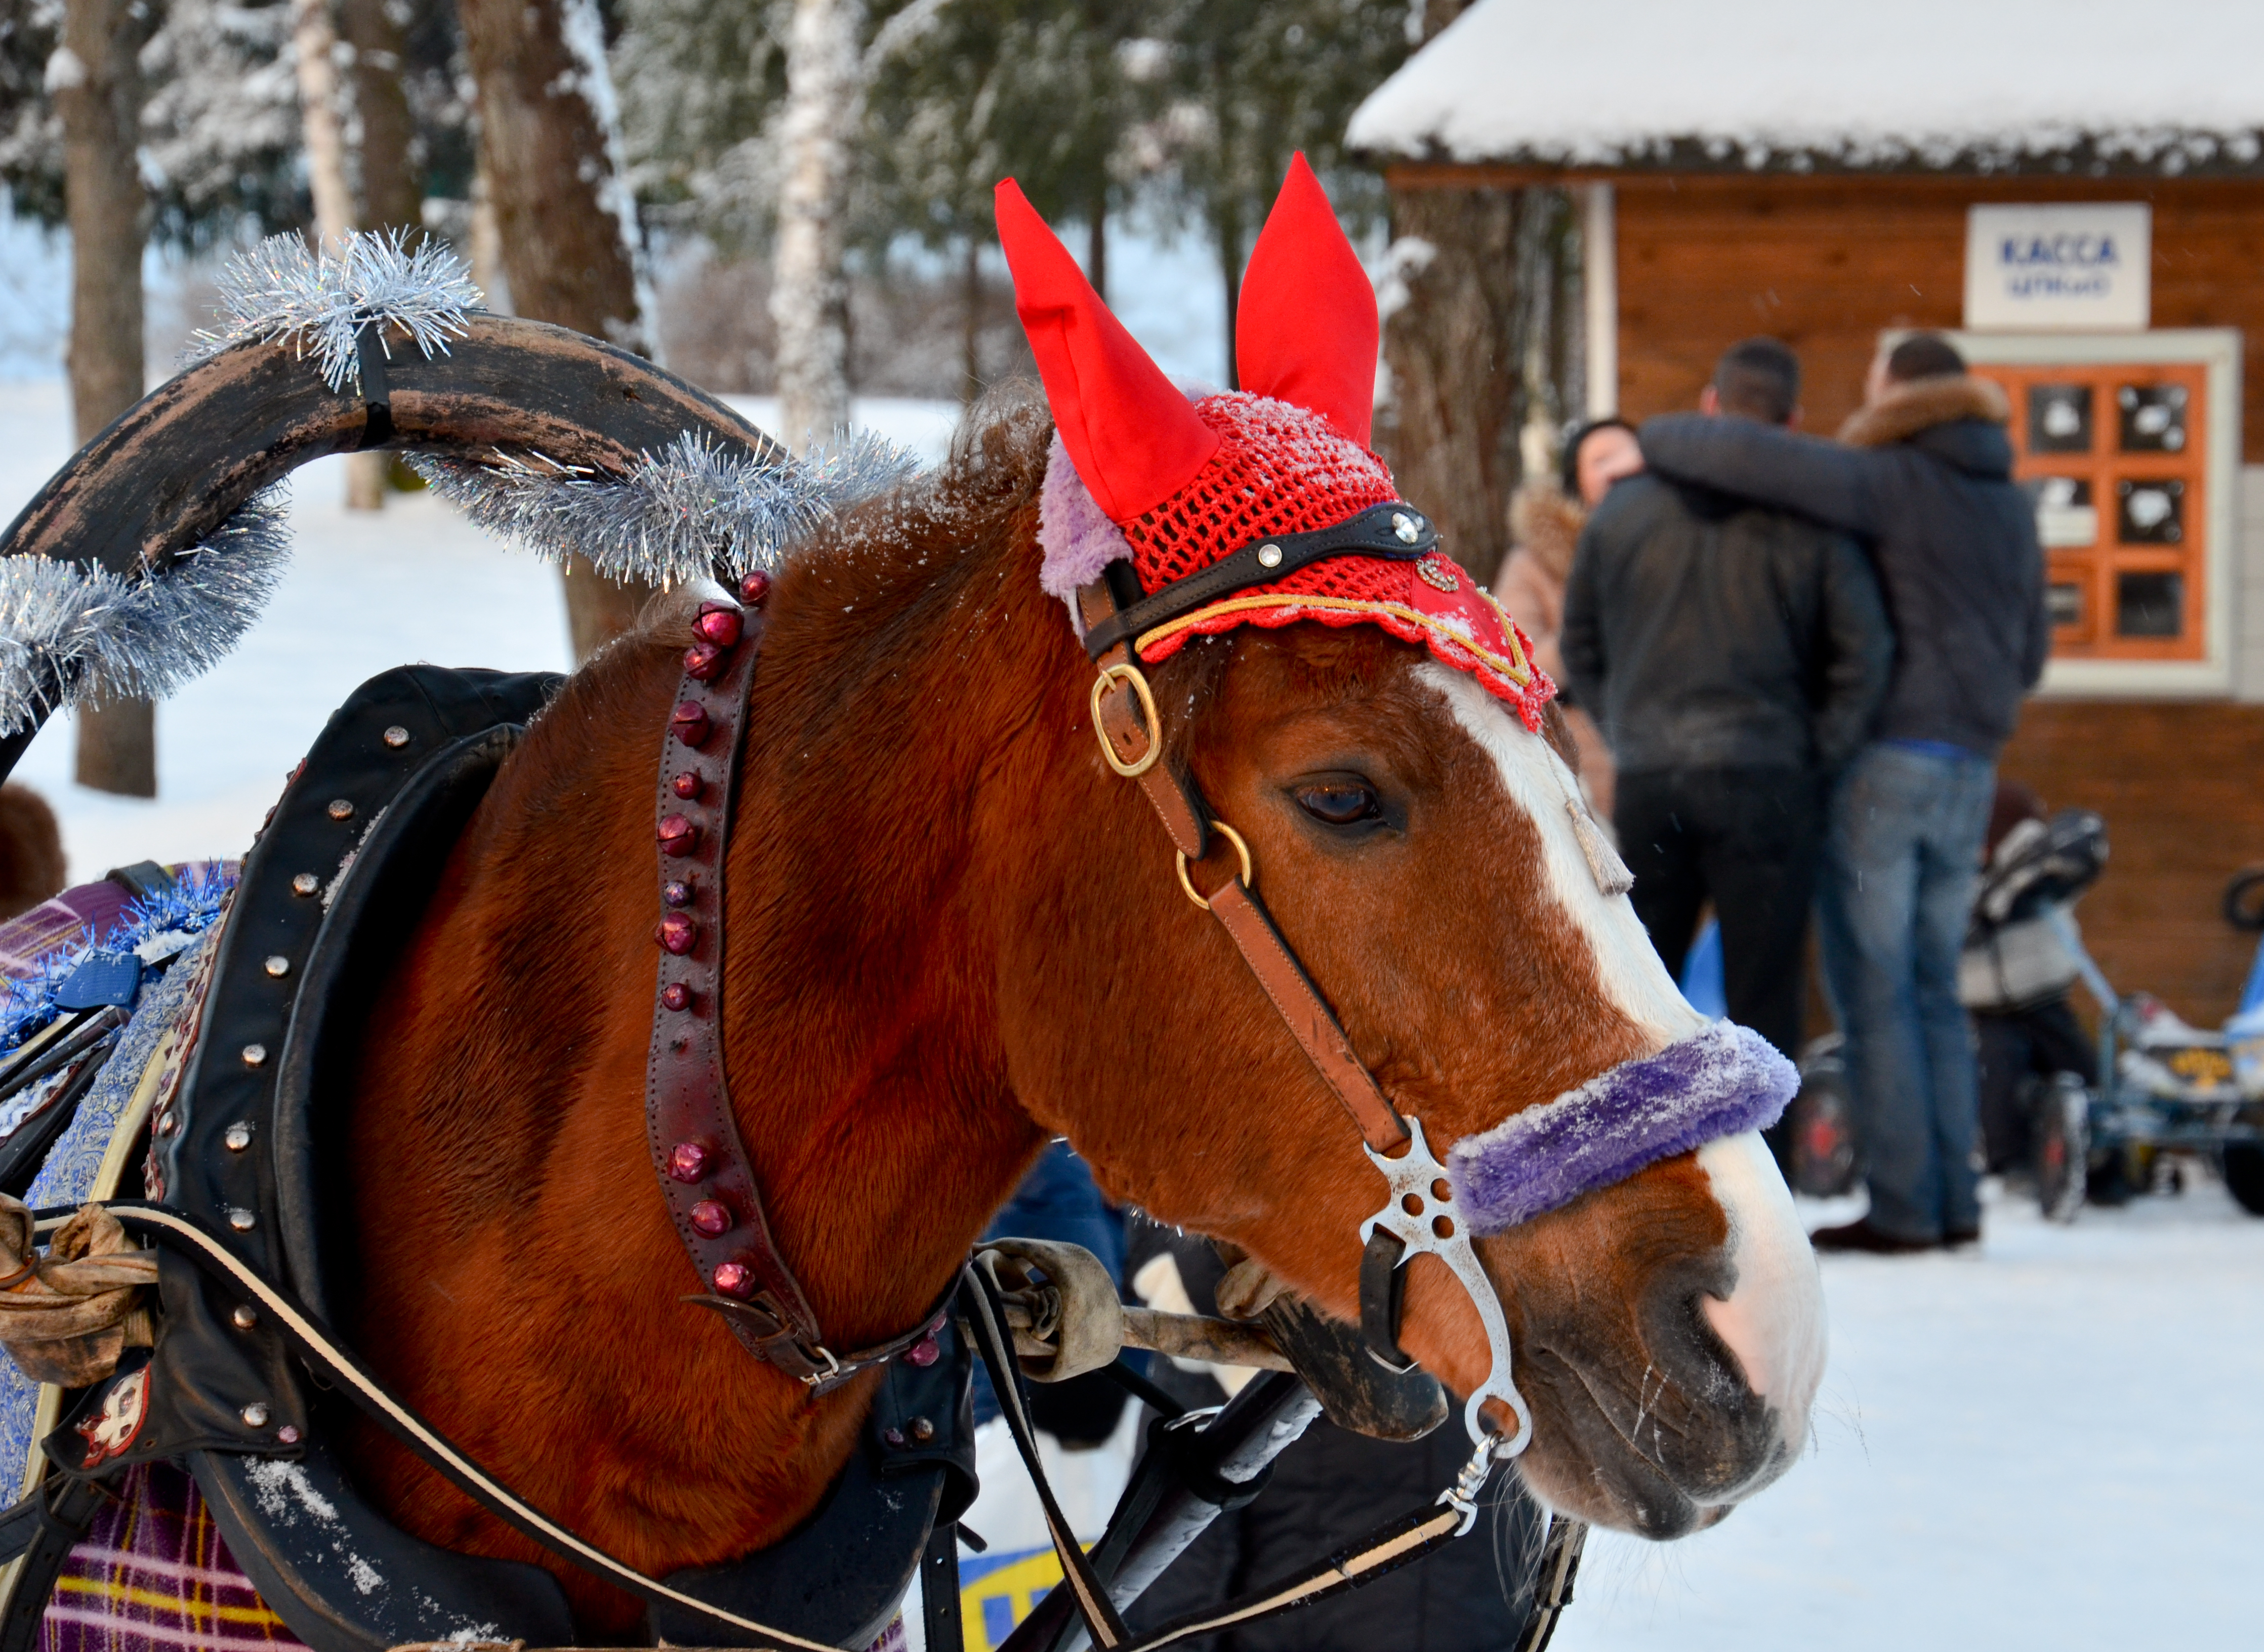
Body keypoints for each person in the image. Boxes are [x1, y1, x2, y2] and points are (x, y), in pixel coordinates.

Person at [1640, 333, 2049, 1253]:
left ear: (1896, 391)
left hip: (1888, 760)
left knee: (1873, 989)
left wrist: (1651, 433)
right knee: (1936, 986)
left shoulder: (1896, 478)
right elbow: (2028, 653)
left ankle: (1906, 1208)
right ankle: (1955, 1203)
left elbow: (1734, 451)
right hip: (1972, 766)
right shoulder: (2007, 502)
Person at [1561, 338, 1891, 1157]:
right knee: (1764, 998)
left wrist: (1628, 726)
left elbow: (1580, 640)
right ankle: (1764, 1193)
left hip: (1654, 779)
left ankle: (1643, 1185)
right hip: (1769, 779)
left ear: (1711, 404)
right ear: (1789, 420)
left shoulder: (1622, 510)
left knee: (1645, 996)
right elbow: (1865, 654)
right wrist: (1815, 750)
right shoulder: (1810, 517)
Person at [1493, 418, 1640, 817]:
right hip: (1579, 761)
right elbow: (1515, 672)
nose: (1619, 471)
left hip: (1671, 753)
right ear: (1576, 478)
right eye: (1602, 460)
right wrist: (1585, 625)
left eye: (1631, 458)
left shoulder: (1672, 551)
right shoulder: (1534, 564)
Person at [1962, 781, 2105, 1176]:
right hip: (1987, 1011)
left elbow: (2067, 854)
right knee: (1998, 1076)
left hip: (2046, 998)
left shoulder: (2033, 869)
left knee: (2079, 1069)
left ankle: (2101, 1160)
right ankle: (2007, 1160)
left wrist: (2020, 883)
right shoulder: (1958, 880)